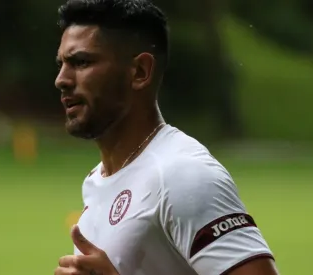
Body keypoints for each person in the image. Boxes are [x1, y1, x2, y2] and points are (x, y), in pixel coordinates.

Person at [53, 0, 279, 274]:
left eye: (81, 62)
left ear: (140, 72)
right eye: (62, 64)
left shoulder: (182, 175)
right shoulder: (98, 180)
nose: (61, 79)